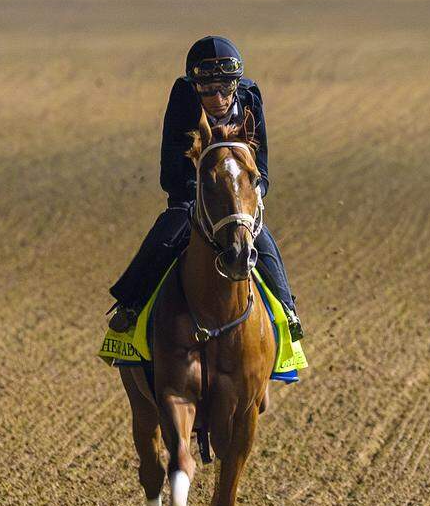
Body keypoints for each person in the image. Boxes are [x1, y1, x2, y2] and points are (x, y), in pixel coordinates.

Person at [108, 35, 303, 341]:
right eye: (208, 90)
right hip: (193, 194)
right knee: (169, 227)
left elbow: (261, 165)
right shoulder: (182, 100)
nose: (218, 97)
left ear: (236, 85)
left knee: (261, 238)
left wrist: (253, 192)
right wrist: (201, 194)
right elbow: (171, 169)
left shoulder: (250, 97)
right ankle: (131, 304)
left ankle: (288, 310)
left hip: (239, 196)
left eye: (225, 88)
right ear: (195, 86)